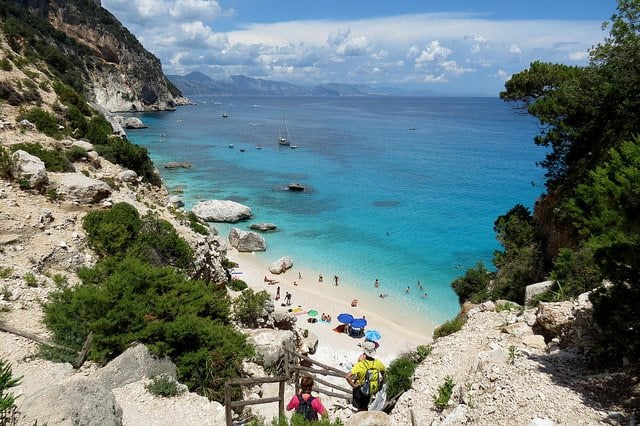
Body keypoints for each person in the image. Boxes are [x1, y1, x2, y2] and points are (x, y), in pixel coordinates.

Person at [345, 341, 385, 412]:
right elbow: (383, 372)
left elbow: (347, 376)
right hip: (370, 388)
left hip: (360, 389)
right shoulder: (377, 363)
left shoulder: (361, 364)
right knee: (365, 405)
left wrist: (354, 385)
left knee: (359, 408)